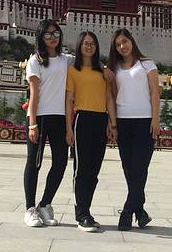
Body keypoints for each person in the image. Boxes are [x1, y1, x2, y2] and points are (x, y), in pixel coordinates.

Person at [108, 28, 160, 231]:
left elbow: (155, 92)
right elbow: (112, 96)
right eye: (118, 44)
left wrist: (155, 119)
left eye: (125, 41)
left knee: (139, 168)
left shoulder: (147, 64)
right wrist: (113, 124)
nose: (122, 46)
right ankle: (141, 212)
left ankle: (127, 212)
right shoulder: (115, 68)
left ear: (131, 41)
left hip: (144, 121)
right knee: (129, 170)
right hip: (123, 122)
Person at [23, 19, 73, 228]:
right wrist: (32, 124)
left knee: (60, 162)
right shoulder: (35, 61)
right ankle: (30, 209)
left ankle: (45, 204)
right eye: (48, 34)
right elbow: (34, 94)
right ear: (41, 38)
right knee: (34, 162)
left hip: (60, 118)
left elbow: (90, 63)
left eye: (56, 33)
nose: (53, 38)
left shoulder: (66, 60)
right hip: (40, 117)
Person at [65, 31, 117, 232]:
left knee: (94, 171)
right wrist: (68, 128)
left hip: (100, 120)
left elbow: (109, 98)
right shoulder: (73, 70)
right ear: (79, 46)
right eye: (85, 43)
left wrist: (112, 123)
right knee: (81, 169)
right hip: (82, 120)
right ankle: (81, 215)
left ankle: (86, 211)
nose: (89, 46)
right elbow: (69, 100)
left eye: (92, 43)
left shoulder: (102, 72)